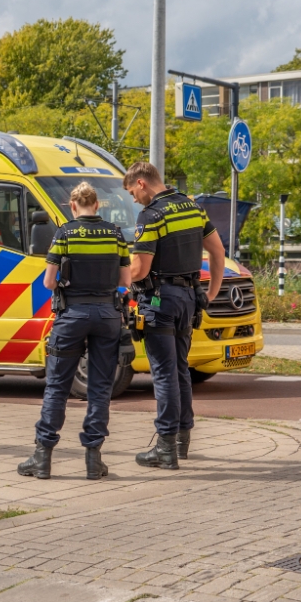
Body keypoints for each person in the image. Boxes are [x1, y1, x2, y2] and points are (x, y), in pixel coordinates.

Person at [17, 182, 130, 481]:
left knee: (57, 386)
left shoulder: (64, 233)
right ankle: (94, 460)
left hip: (72, 316)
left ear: (72, 205)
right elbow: (125, 280)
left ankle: (42, 458)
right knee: (100, 388)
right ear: (96, 205)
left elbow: (48, 283)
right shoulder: (115, 234)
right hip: (107, 315)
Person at [123, 162, 224, 470]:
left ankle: (165, 447)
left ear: (141, 183)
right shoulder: (192, 207)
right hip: (188, 300)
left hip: (160, 301)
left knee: (164, 374)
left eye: (131, 192)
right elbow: (217, 251)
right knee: (180, 369)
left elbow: (140, 269)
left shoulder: (151, 215)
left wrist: (122, 278)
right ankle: (182, 439)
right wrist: (211, 294)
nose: (133, 199)